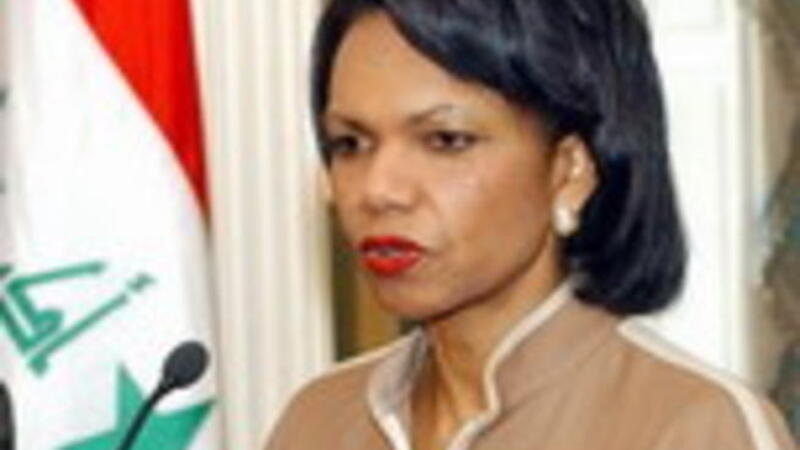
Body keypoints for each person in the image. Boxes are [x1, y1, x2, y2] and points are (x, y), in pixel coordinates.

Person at [266, 0, 796, 448]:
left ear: (570, 171)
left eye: (445, 140)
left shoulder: (693, 427)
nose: (378, 190)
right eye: (350, 143)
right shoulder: (316, 422)